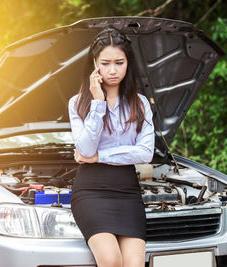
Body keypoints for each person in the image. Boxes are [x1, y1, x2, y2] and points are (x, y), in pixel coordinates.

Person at [68, 27, 155, 267]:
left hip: (127, 192)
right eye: (105, 63)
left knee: (134, 265)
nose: (113, 70)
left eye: (119, 62)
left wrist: (100, 156)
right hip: (91, 192)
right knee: (111, 261)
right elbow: (85, 150)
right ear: (95, 63)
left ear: (128, 63)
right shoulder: (77, 103)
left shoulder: (140, 104)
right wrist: (98, 103)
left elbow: (146, 152)